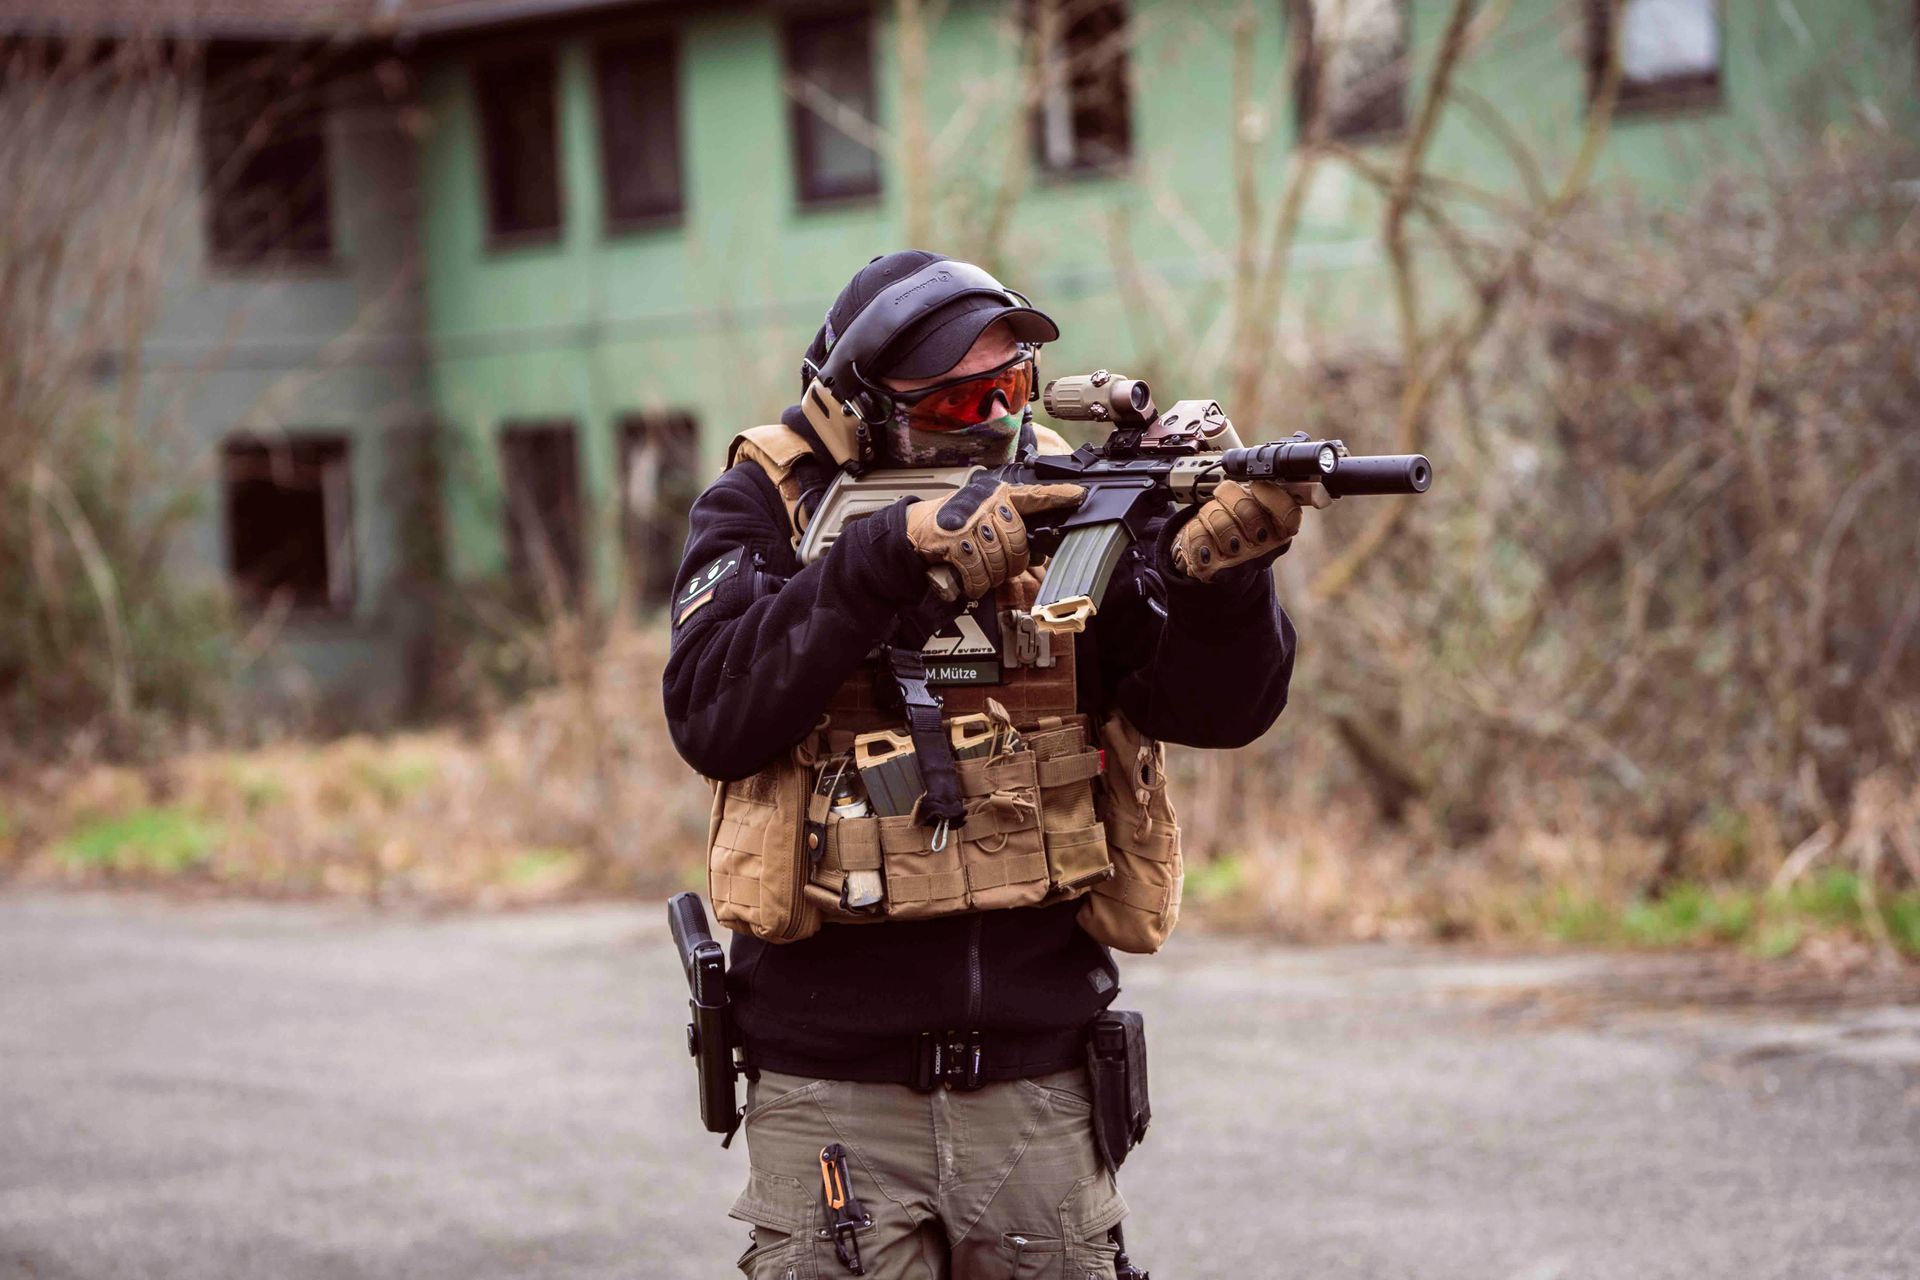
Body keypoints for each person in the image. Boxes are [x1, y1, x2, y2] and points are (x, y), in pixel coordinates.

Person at [663, 251, 1310, 1279]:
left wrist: (1222, 585)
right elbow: (710, 712)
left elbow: (1218, 710)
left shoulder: (1070, 496)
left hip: (1038, 1090)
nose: (998, 419)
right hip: (832, 1096)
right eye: (962, 401)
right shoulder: (765, 503)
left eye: (1012, 388)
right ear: (861, 409)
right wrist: (879, 561)